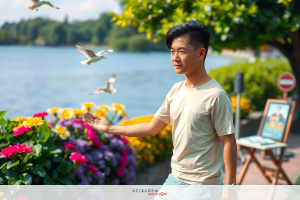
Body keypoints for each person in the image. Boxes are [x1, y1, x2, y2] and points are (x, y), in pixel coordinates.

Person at [83, 21, 238, 199]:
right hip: (174, 180)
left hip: (203, 187)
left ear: (200, 53)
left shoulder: (216, 96)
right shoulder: (176, 90)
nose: (175, 57)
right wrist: (110, 129)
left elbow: (229, 142)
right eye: (172, 51)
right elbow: (152, 128)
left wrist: (230, 188)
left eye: (182, 51)